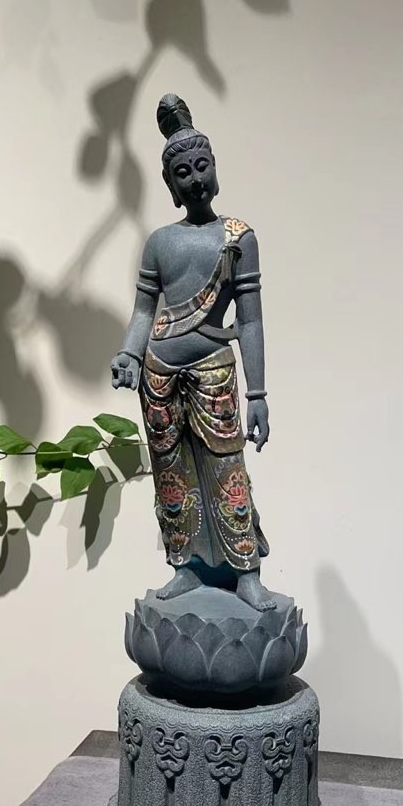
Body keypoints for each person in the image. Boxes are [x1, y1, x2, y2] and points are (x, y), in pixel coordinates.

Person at [111, 93, 276, 611]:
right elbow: (144, 311)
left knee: (228, 471)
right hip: (158, 373)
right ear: (170, 185)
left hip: (213, 371)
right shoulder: (160, 242)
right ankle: (186, 565)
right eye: (182, 172)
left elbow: (250, 320)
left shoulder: (238, 238)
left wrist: (258, 394)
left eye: (202, 166)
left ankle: (246, 570)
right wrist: (129, 355)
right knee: (171, 474)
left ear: (216, 168)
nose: (195, 178)